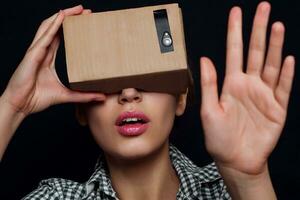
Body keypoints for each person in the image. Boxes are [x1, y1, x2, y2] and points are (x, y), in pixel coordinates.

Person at [0, 1, 295, 199]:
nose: (129, 93)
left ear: (181, 99)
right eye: (110, 81)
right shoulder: (59, 197)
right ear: (82, 111)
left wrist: (249, 181)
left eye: (148, 79)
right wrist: (12, 105)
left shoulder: (227, 192)